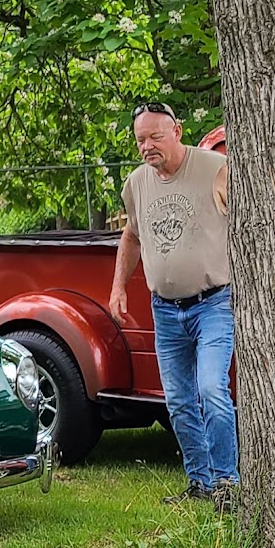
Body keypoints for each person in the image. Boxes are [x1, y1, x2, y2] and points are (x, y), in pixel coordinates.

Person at [109, 101, 236, 500]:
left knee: (212, 389)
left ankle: (227, 482)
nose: (147, 147)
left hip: (213, 302)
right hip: (165, 309)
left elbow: (250, 223)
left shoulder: (215, 169)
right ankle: (199, 482)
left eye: (155, 137)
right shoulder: (137, 183)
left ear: (177, 131)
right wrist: (118, 287)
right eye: (140, 140)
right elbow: (131, 236)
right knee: (179, 401)